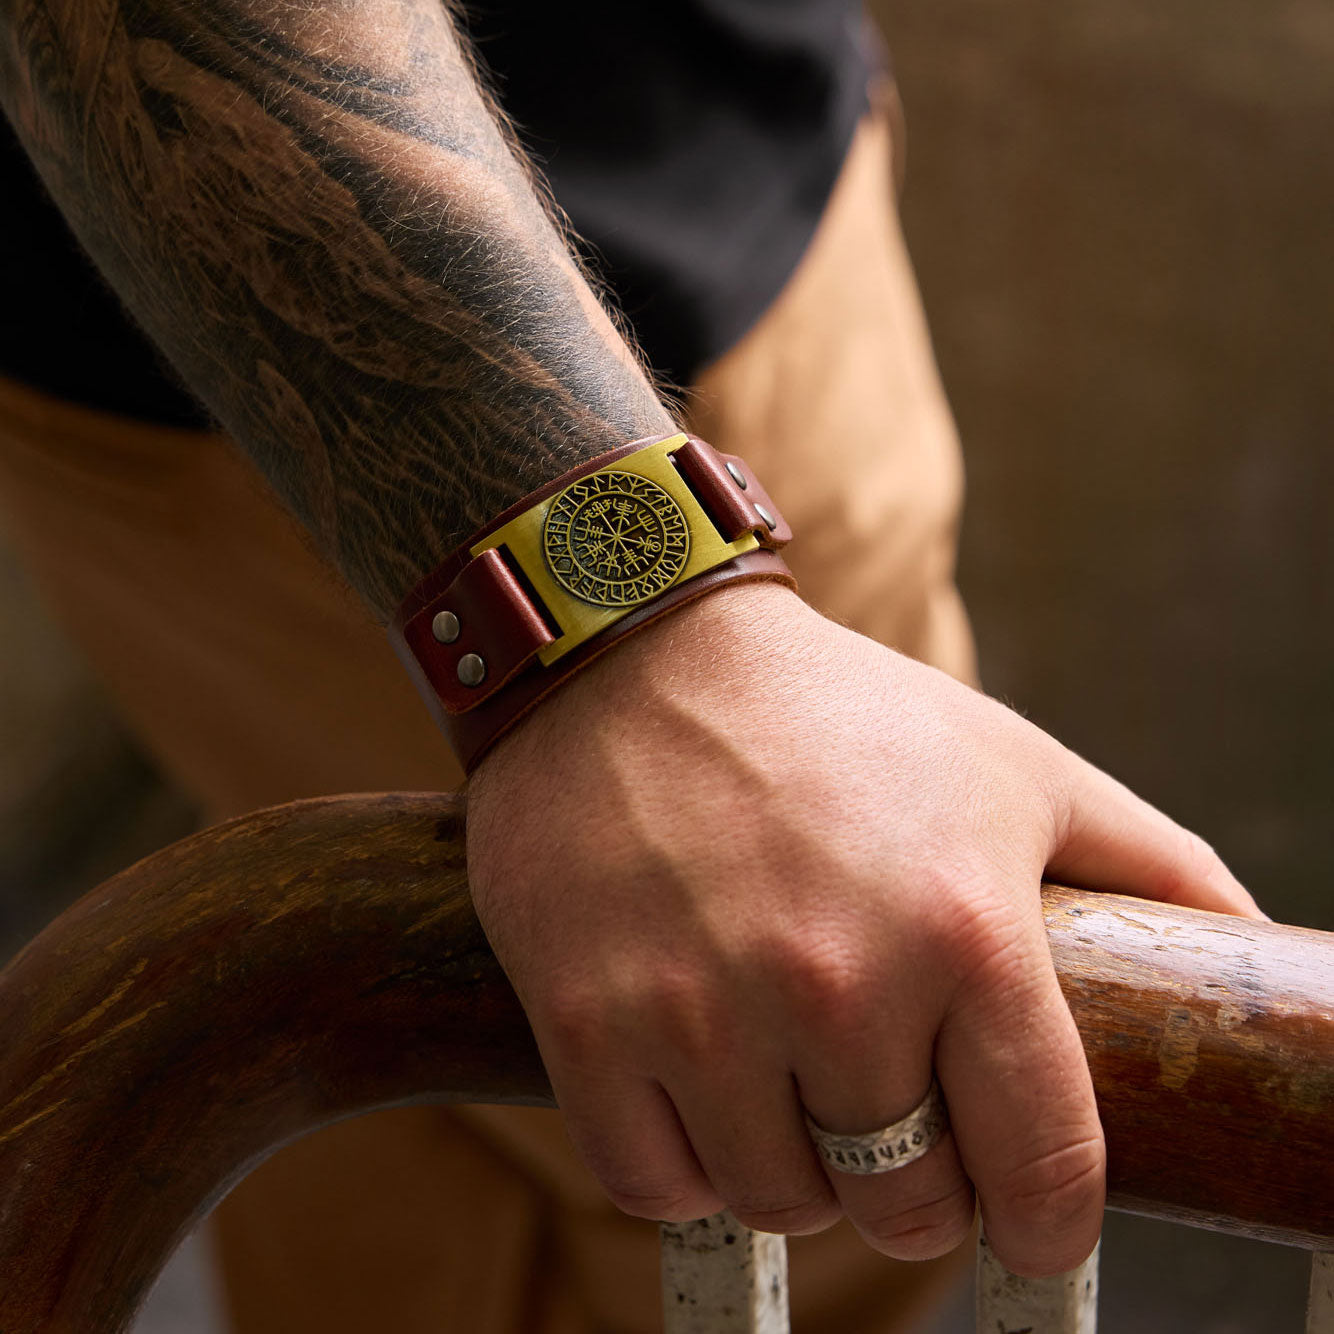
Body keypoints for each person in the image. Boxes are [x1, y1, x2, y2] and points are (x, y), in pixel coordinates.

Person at [0, 0, 1263, 1329]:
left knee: (388, 1078)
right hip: (468, 383)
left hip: (655, 189)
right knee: (819, 1119)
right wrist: (640, 632)